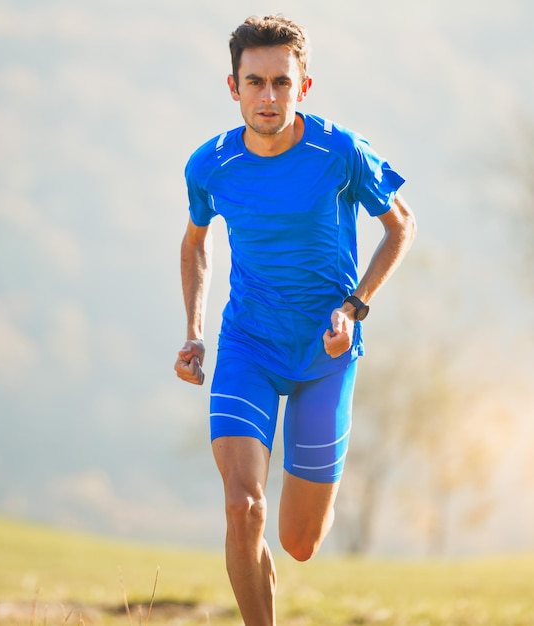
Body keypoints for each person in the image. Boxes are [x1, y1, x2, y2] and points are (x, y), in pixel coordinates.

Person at [174, 14, 416, 625]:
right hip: (247, 348)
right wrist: (195, 333)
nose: (268, 96)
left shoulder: (339, 151)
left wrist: (354, 306)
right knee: (242, 506)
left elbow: (400, 226)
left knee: (299, 542)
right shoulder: (210, 166)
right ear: (233, 87)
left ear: (303, 85)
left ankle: (294, 530)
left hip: (324, 355)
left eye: (281, 82)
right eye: (254, 82)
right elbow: (195, 244)